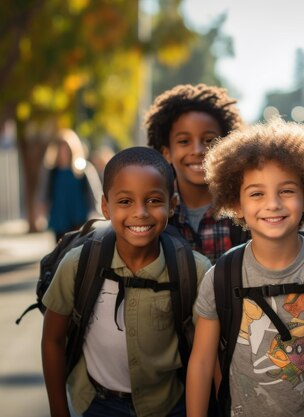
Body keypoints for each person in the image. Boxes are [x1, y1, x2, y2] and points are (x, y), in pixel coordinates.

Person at [187, 117, 304, 417]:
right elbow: (202, 362)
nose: (273, 204)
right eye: (257, 193)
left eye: (286, 191)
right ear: (237, 203)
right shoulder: (220, 276)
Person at [41, 146, 212, 417]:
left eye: (154, 200)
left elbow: (208, 358)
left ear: (172, 205)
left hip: (170, 405)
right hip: (97, 404)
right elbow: (52, 340)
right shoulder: (78, 264)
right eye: (125, 202)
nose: (140, 212)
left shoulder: (196, 271)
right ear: (105, 207)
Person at [145, 83, 246, 263]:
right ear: (167, 153)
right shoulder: (153, 210)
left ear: (227, 146)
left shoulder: (244, 209)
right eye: (184, 141)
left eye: (209, 140)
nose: (198, 150)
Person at [37, 128, 103, 241]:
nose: (63, 152)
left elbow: (94, 194)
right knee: (61, 253)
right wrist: (40, 214)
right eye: (60, 148)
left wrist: (95, 215)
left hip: (79, 219)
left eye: (66, 148)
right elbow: (44, 194)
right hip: (59, 219)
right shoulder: (52, 172)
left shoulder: (83, 169)